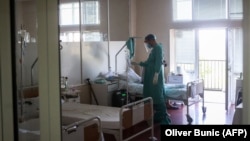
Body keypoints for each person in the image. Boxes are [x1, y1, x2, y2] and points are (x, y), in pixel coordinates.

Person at [132, 34, 171, 125]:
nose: (147, 44)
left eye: (147, 42)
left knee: (157, 96)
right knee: (151, 95)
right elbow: (149, 63)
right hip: (150, 77)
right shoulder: (154, 50)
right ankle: (156, 116)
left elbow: (158, 62)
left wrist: (156, 74)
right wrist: (138, 63)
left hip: (155, 77)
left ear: (151, 40)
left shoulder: (158, 48)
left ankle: (164, 119)